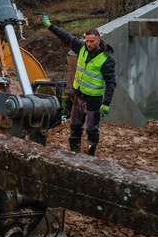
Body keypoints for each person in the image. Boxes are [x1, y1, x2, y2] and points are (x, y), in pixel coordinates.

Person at [42, 15, 116, 156]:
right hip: (78, 97)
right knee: (75, 125)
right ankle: (74, 151)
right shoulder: (81, 47)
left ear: (99, 40)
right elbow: (65, 36)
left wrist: (106, 103)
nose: (89, 44)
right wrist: (50, 26)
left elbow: (111, 82)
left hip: (93, 100)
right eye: (87, 41)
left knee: (91, 129)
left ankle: (90, 153)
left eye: (92, 41)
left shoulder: (106, 60)